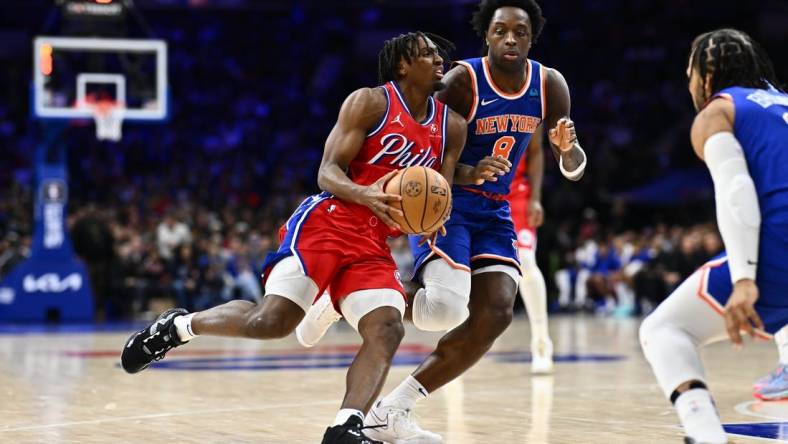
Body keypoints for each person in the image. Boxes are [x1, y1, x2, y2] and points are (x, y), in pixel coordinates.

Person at [120, 31, 475, 444]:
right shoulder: (370, 102)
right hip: (327, 223)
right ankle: (178, 326)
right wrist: (367, 194)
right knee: (271, 322)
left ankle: (345, 427)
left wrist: (435, 215)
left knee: (387, 327)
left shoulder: (451, 126)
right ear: (402, 65)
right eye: (427, 54)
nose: (438, 59)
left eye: (439, 54)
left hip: (372, 243)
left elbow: (439, 191)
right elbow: (327, 171)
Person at [366, 1, 588, 442]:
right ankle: (352, 292)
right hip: (447, 201)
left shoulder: (550, 84)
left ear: (531, 37)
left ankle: (394, 408)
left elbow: (574, 166)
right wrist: (454, 179)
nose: (510, 38)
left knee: (497, 312)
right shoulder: (462, 81)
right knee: (443, 311)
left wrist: (568, 151)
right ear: (486, 35)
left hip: (496, 209)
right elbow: (419, 137)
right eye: (501, 30)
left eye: (520, 32)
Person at [639, 28, 787, 443]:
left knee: (664, 330)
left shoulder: (718, 112)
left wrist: (744, 280)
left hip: (779, 248)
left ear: (706, 75)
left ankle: (705, 434)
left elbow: (736, 189)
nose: (689, 85)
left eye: (689, 74)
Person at [505, 129, 553, 373]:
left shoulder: (531, 96)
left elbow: (535, 151)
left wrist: (536, 197)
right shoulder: (466, 92)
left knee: (524, 260)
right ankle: (454, 346)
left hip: (516, 195)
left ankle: (541, 341)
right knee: (461, 267)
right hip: (474, 190)